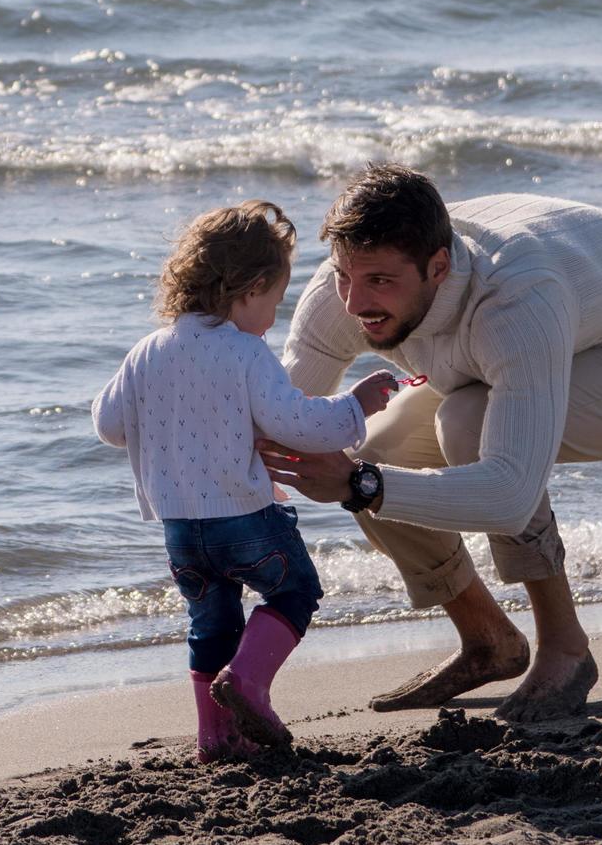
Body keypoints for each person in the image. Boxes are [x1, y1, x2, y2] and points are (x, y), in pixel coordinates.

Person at [256, 164, 602, 724]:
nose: (355, 303)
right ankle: (488, 639)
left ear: (439, 267)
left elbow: (508, 495)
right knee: (376, 445)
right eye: (344, 277)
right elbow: (282, 419)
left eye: (379, 281)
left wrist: (357, 485)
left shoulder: (517, 300)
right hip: (501, 357)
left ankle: (565, 649)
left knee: (464, 426)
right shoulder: (349, 284)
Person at [93, 201, 401, 758]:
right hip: (244, 518)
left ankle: (215, 737)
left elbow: (109, 424)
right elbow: (296, 423)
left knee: (210, 622)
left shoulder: (146, 351)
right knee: (294, 590)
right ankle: (248, 682)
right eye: (275, 303)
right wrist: (357, 405)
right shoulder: (246, 352)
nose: (273, 319)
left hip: (182, 530)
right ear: (251, 288)